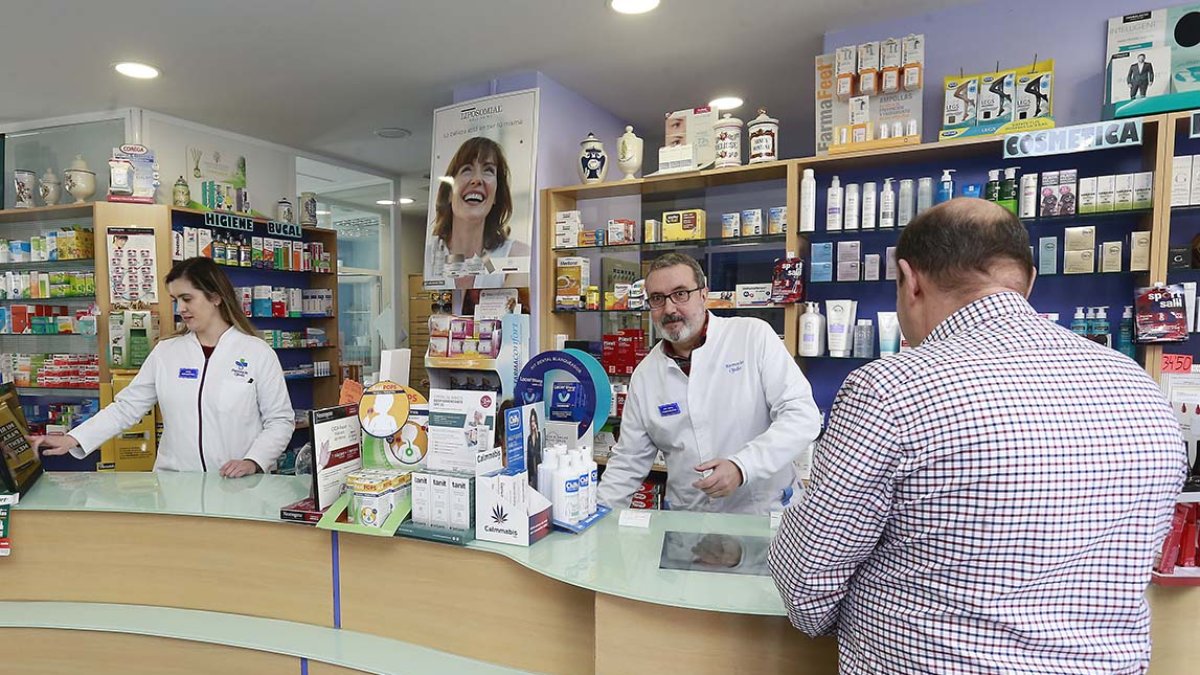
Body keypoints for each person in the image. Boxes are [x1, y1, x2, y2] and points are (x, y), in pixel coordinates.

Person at [769, 199, 1186, 673]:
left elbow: (807, 575)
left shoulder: (891, 388)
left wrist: (829, 624)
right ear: (1028, 281)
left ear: (910, 280)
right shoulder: (1137, 384)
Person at [597, 252, 822, 515]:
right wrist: (595, 517)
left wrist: (742, 466)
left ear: (704, 295)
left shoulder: (752, 336)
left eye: (681, 294)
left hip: (763, 514)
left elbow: (802, 417)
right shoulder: (646, 374)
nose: (669, 309)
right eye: (658, 299)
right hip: (691, 522)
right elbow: (627, 462)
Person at [33, 257, 295, 477]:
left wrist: (253, 461)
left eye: (187, 298)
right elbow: (126, 408)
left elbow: (280, 421)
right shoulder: (167, 352)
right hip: (176, 485)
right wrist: (73, 439)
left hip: (237, 487)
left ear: (215, 297)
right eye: (175, 300)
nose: (180, 308)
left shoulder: (256, 352)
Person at [425, 136, 530, 289]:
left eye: (488, 170)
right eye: (466, 169)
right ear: (449, 193)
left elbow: (508, 310)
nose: (476, 179)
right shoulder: (429, 258)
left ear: (496, 196)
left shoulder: (518, 255)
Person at [525, 407, 542, 490]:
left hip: (539, 468)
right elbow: (529, 456)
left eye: (534, 421)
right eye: (531, 421)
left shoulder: (539, 434)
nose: (532, 423)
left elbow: (538, 450)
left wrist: (536, 433)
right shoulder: (529, 438)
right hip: (531, 470)